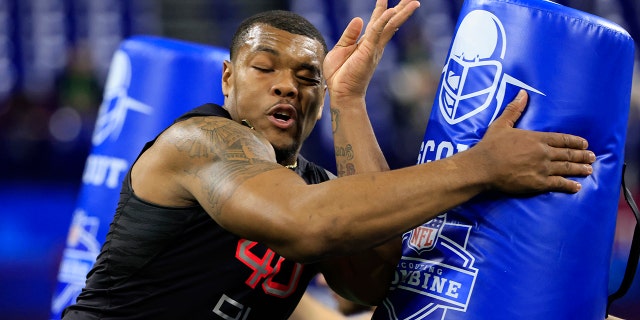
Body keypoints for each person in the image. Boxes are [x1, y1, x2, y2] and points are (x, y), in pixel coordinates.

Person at [62, 0, 596, 319]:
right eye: (264, 69)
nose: (286, 88)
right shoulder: (201, 139)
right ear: (228, 78)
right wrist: (481, 167)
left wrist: (349, 102)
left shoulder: (312, 183)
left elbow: (371, 280)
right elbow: (307, 223)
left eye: (306, 77)